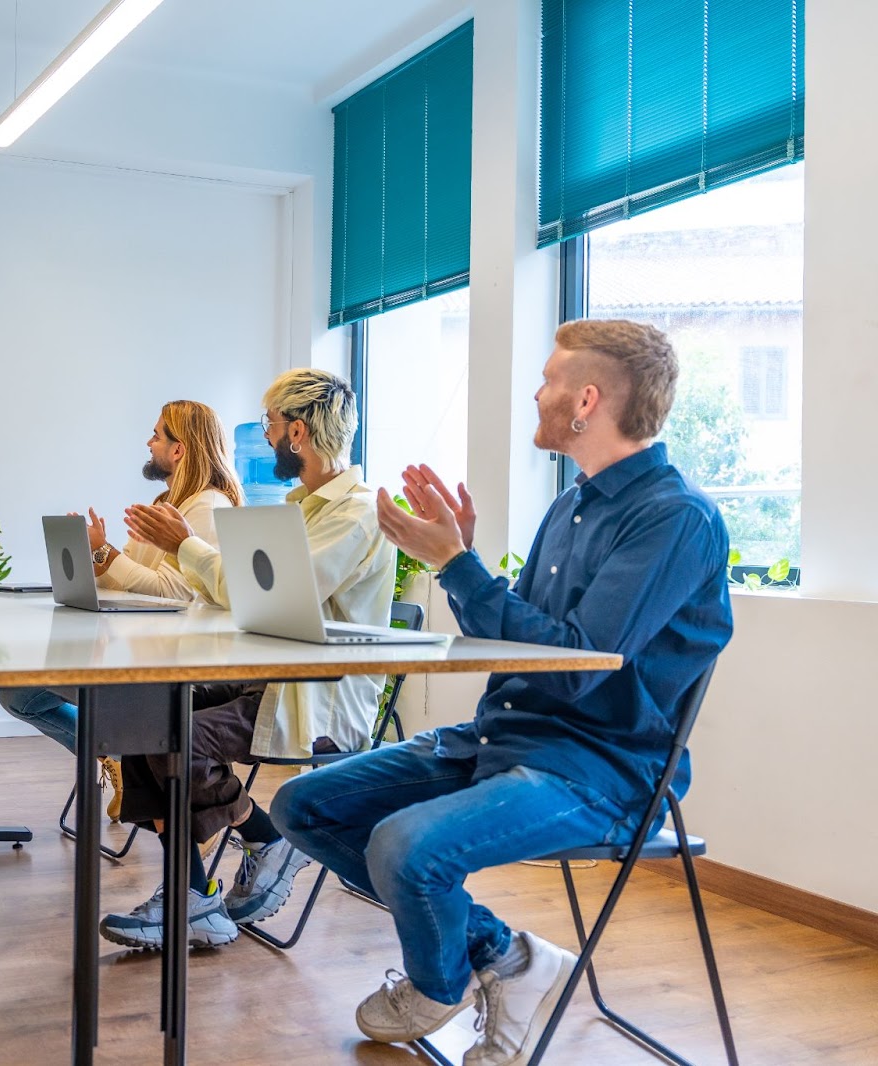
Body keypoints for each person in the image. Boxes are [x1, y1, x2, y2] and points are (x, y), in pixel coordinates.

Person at [270, 320, 732, 1066]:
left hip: (601, 769)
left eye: (550, 382)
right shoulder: (569, 507)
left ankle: (448, 974)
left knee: (404, 847)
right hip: (505, 739)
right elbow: (517, 640)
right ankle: (504, 958)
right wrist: (465, 560)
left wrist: (457, 564)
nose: (538, 395)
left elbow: (581, 665)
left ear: (586, 400)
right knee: (304, 804)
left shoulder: (676, 519)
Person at [99, 369, 395, 949]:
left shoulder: (355, 513)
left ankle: (207, 887)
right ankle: (233, 864)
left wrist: (186, 545)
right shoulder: (299, 507)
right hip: (267, 677)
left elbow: (271, 595)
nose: (264, 437)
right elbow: (232, 592)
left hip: (315, 694)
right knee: (139, 716)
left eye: (270, 425)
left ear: (299, 434)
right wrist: (194, 555)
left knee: (173, 734)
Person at [0, 401, 242, 815]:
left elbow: (173, 594)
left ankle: (126, 759)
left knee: (22, 692)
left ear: (179, 449)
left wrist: (106, 554)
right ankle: (121, 760)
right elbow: (130, 584)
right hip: (138, 647)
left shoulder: (207, 507)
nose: (149, 443)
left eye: (157, 435)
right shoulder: (168, 501)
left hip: (170, 660)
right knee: (18, 693)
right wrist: (95, 557)